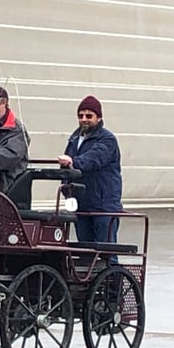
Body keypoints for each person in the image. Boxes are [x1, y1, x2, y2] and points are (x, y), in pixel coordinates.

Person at [58, 95, 123, 243]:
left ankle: (111, 267)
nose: (84, 119)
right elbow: (67, 169)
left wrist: (73, 162)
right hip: (82, 204)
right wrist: (66, 189)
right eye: (81, 116)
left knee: (105, 251)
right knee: (85, 249)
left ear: (98, 118)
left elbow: (94, 159)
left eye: (89, 115)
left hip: (103, 205)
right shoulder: (74, 139)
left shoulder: (107, 139)